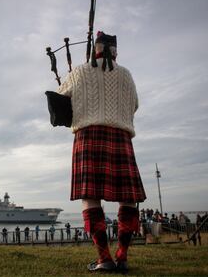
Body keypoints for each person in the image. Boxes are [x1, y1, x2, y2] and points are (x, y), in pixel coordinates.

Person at [56, 31, 146, 273]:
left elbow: (59, 100)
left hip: (87, 136)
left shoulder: (79, 71)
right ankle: (122, 257)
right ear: (116, 51)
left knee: (90, 196)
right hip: (120, 134)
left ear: (95, 48)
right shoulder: (126, 74)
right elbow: (135, 103)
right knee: (128, 197)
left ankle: (104, 258)